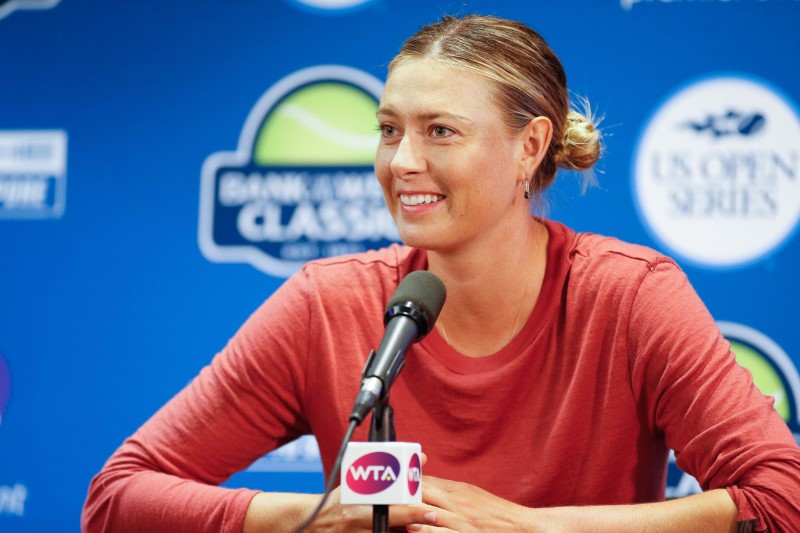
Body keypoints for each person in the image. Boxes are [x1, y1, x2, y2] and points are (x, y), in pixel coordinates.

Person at [82, 14, 800, 533]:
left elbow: (784, 497)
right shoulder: (328, 305)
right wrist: (313, 519)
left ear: (531, 145)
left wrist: (532, 528)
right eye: (389, 129)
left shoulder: (626, 294)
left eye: (441, 131)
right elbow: (117, 498)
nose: (401, 163)